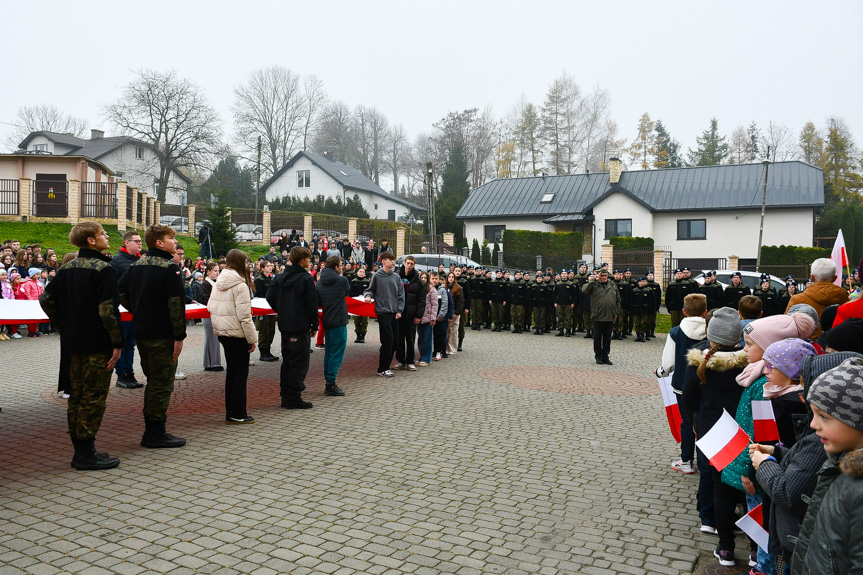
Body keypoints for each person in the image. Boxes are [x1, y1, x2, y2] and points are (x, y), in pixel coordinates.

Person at [750, 352, 860, 572]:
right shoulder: (838, 455)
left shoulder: (853, 484)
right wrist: (778, 453)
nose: (813, 424)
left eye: (824, 416)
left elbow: (788, 491)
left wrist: (765, 465)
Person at [38, 222, 124, 470]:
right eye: (102, 234)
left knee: (77, 396)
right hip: (98, 343)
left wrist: (63, 322)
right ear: (91, 241)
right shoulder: (104, 270)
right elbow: (108, 311)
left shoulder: (67, 268)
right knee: (94, 397)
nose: (106, 236)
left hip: (73, 341)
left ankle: (81, 449)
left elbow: (46, 298)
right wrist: (117, 341)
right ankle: (86, 453)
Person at [681, 307, 748, 567]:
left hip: (710, 427)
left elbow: (689, 397)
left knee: (715, 480)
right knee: (740, 484)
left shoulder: (701, 363)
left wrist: (695, 421)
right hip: (740, 429)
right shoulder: (748, 363)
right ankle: (744, 536)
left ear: (711, 336)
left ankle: (716, 529)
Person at [789, 357, 863, 575]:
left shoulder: (857, 488)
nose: (813, 424)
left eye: (824, 417)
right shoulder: (839, 461)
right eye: (813, 414)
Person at [118, 224, 187, 449]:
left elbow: (120, 292)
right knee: (162, 383)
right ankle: (155, 433)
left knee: (152, 381)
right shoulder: (169, 268)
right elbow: (176, 306)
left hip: (142, 331)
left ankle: (153, 430)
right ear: (159, 242)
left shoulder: (136, 265)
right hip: (163, 334)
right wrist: (179, 335)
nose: (174, 242)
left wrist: (138, 309)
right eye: (171, 238)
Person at [655, 293, 708, 477]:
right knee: (705, 421)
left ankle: (686, 461)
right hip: (706, 383)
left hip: (682, 385)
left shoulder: (676, 332)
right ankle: (705, 462)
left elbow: (669, 362)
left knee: (686, 423)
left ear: (684, 311)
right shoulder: (711, 330)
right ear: (705, 311)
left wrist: (662, 372)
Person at [207, 249, 257, 424]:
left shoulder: (220, 281)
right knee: (240, 375)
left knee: (232, 373)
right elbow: (245, 316)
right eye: (245, 261)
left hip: (224, 333)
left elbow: (210, 306)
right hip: (237, 334)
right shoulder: (240, 285)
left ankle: (232, 411)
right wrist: (252, 339)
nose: (247, 265)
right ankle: (238, 412)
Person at [267, 246, 318, 409]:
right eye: (308, 259)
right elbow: (312, 304)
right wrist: (314, 325)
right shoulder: (306, 279)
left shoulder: (279, 277)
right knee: (299, 363)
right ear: (302, 260)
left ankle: (286, 396)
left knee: (288, 361)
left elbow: (270, 298)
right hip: (300, 326)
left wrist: (282, 310)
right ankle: (294, 397)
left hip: (285, 325)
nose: (309, 262)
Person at [109, 231, 144, 388]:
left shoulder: (140, 260)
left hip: (135, 310)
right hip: (122, 310)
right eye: (136, 241)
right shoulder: (116, 262)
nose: (140, 243)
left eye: (141, 241)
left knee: (130, 343)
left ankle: (129, 373)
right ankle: (121, 374)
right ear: (126, 243)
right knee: (122, 342)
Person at [364, 251, 405, 377]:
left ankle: (384, 364)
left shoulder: (396, 277)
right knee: (387, 341)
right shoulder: (377, 276)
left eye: (393, 260)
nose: (393, 262)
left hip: (394, 313)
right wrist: (368, 296)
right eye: (390, 259)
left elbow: (401, 295)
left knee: (396, 342)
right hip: (382, 312)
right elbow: (369, 290)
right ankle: (383, 368)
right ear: (383, 261)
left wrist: (399, 310)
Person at [784, 258, 849, 337]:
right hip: (836, 345)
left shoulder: (797, 300)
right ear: (835, 278)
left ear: (812, 277)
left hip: (805, 346)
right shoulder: (846, 300)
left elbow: (787, 328)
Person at [316, 255, 349, 397]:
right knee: (337, 353)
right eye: (340, 265)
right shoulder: (342, 280)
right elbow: (348, 291)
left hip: (327, 320)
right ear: (336, 267)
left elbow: (319, 302)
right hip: (339, 321)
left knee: (329, 352)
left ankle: (329, 381)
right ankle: (331, 384)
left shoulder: (319, 283)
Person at [393, 256, 425, 371]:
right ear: (404, 264)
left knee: (410, 339)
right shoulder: (396, 276)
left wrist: (418, 315)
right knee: (399, 339)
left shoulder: (418, 280)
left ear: (414, 265)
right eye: (408, 263)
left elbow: (422, 300)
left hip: (411, 314)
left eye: (412, 264)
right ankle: (400, 361)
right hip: (398, 313)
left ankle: (410, 361)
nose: (409, 265)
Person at [582, 269, 620, 365]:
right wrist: (593, 280)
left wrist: (616, 313)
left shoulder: (612, 285)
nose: (604, 277)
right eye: (602, 276)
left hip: (610, 315)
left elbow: (618, 300)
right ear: (598, 276)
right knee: (597, 337)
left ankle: (605, 356)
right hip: (598, 315)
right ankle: (598, 356)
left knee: (607, 338)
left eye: (605, 276)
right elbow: (584, 290)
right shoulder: (594, 285)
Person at [199, 262, 223, 372]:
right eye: (215, 270)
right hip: (208, 314)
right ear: (208, 271)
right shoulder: (206, 284)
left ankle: (212, 362)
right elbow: (204, 299)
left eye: (218, 270)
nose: (217, 273)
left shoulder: (217, 282)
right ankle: (212, 363)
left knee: (215, 338)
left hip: (216, 313)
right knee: (211, 338)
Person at [254, 260, 279, 362]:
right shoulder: (259, 280)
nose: (270, 267)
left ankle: (268, 351)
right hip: (263, 308)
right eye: (267, 266)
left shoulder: (271, 278)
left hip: (271, 308)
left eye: (270, 266)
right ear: (262, 268)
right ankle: (263, 353)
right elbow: (259, 294)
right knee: (264, 330)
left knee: (271, 330)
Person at [417, 271, 437, 366]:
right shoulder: (419, 289)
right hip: (419, 317)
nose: (423, 279)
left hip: (428, 318)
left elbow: (434, 305)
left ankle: (426, 359)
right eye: (422, 277)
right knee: (421, 338)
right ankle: (421, 357)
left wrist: (433, 317)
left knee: (427, 339)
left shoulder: (432, 290)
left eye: (425, 278)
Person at [349, 267, 370, 343]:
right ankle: (358, 335)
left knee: (364, 320)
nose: (362, 273)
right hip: (356, 304)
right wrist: (358, 295)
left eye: (363, 272)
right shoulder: (353, 282)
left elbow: (370, 291)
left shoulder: (367, 282)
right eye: (360, 271)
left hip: (365, 304)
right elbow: (350, 292)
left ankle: (363, 335)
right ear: (357, 273)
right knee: (356, 320)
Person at [446, 273, 464, 354]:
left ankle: (453, 347)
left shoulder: (458, 288)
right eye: (449, 277)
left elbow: (460, 302)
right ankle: (446, 347)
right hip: (446, 313)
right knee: (446, 330)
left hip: (455, 313)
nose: (451, 278)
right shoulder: (444, 287)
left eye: (452, 277)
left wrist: (456, 313)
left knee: (454, 330)